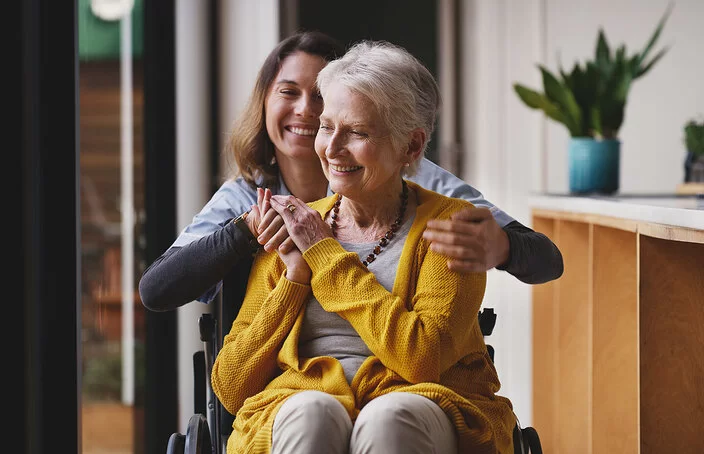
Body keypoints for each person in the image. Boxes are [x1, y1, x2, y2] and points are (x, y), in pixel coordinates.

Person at [211, 40, 516, 454]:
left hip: (422, 403)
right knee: (310, 414)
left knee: (390, 418)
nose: (331, 149)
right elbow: (231, 384)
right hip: (300, 404)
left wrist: (324, 256)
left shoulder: (450, 226)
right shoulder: (295, 226)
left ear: (411, 147)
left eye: (357, 133)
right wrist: (295, 279)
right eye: (326, 126)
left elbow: (421, 359)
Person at [138, 30, 562, 314]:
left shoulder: (417, 179)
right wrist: (244, 231)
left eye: (322, 97)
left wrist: (501, 247)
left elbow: (546, 259)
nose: (306, 109)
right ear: (264, 101)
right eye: (289, 92)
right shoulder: (247, 197)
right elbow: (157, 290)